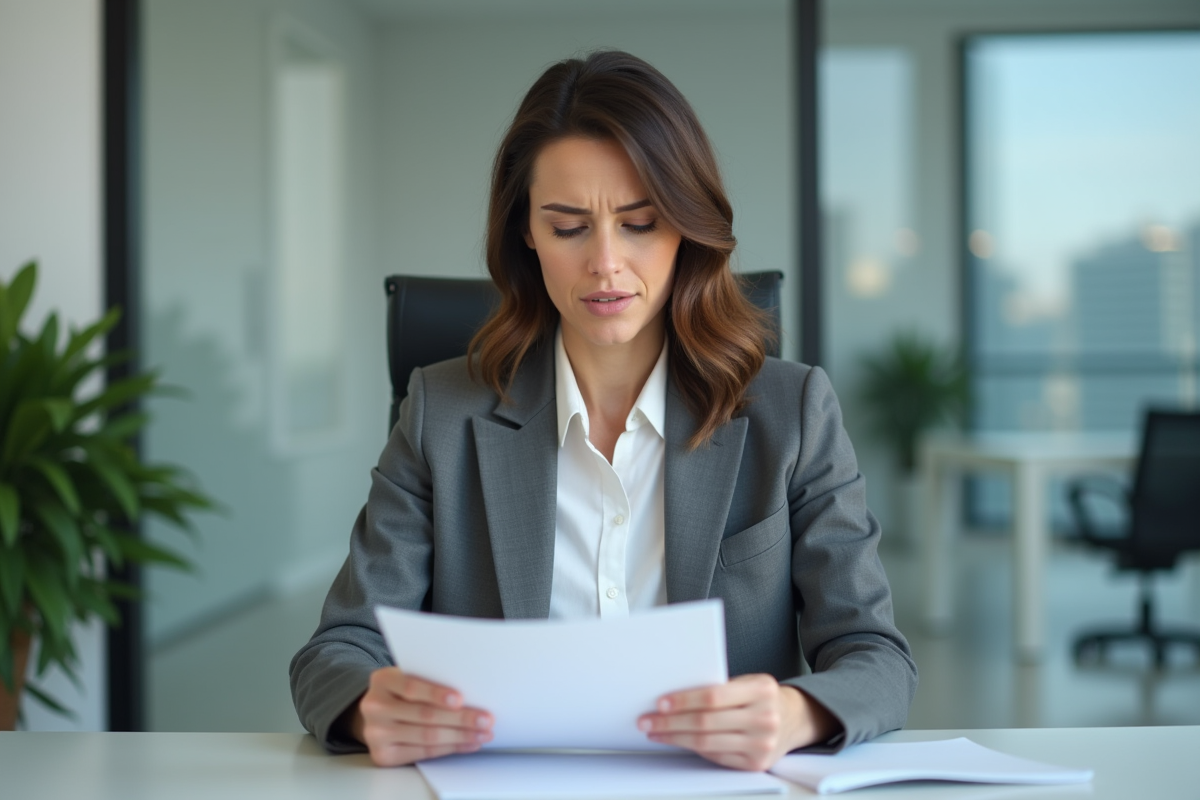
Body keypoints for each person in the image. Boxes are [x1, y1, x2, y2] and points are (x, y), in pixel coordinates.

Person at [290, 50, 916, 772]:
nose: (606, 264)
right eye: (568, 228)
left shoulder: (792, 412)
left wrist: (795, 712)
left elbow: (877, 658)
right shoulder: (442, 414)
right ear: (526, 232)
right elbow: (332, 655)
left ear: (686, 227)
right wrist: (370, 707)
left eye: (641, 223)